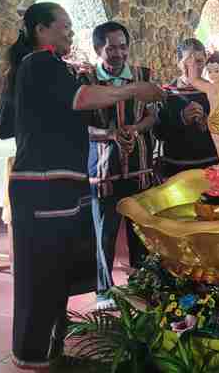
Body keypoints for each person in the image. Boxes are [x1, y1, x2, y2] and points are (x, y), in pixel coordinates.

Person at [5, 3, 162, 370]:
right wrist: (135, 89)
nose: (70, 33)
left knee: (56, 272)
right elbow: (83, 98)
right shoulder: (39, 63)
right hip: (44, 185)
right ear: (41, 30)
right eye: (65, 26)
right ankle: (34, 354)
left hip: (57, 185)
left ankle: (48, 350)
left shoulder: (47, 66)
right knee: (43, 274)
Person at [80, 21, 157, 309]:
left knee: (140, 230)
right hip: (103, 170)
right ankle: (104, 290)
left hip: (139, 166)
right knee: (104, 232)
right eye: (111, 48)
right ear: (97, 48)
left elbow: (152, 115)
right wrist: (110, 134)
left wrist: (135, 129)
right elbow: (80, 127)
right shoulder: (85, 81)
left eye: (123, 47)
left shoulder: (142, 76)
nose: (119, 53)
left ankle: (142, 283)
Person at [154, 39, 219, 178]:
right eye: (187, 62)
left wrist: (208, 123)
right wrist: (182, 118)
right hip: (177, 170)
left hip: (210, 168)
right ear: (178, 62)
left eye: (199, 61)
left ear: (206, 60)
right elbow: (158, 133)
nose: (193, 67)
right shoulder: (166, 93)